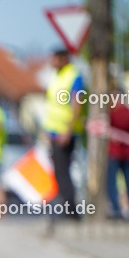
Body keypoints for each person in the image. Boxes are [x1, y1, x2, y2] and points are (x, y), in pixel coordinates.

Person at [43, 48, 86, 218]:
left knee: (63, 172)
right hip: (54, 132)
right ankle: (67, 208)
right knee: (59, 172)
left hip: (65, 132)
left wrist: (68, 129)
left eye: (54, 59)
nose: (52, 62)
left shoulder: (73, 75)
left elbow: (77, 103)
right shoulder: (56, 76)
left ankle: (71, 212)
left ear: (64, 59)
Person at [105, 84, 129, 219]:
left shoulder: (111, 114)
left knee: (112, 184)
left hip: (115, 153)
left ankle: (116, 209)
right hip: (127, 153)